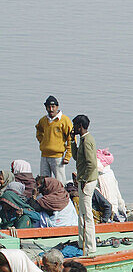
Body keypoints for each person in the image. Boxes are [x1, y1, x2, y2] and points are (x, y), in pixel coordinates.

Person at [70, 114, 98, 255]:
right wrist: (72, 141)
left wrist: (85, 180)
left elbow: (92, 164)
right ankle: (82, 242)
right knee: (82, 213)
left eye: (75, 125)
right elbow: (76, 157)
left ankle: (90, 247)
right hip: (83, 180)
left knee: (87, 215)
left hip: (87, 182)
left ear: (80, 126)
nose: (73, 128)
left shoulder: (87, 141)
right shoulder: (83, 139)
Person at [36, 95, 72, 180]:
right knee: (44, 181)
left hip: (58, 157)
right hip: (44, 155)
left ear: (57, 107)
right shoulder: (43, 120)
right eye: (49, 107)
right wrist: (43, 141)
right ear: (46, 107)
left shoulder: (64, 120)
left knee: (60, 181)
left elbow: (70, 138)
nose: (51, 109)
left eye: (53, 107)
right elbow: (38, 131)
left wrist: (67, 156)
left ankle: (61, 193)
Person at [94, 148, 127, 222]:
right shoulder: (110, 172)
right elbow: (118, 195)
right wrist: (123, 210)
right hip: (114, 209)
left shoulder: (98, 176)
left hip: (108, 212)